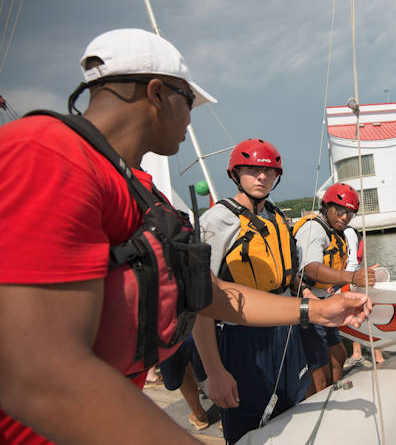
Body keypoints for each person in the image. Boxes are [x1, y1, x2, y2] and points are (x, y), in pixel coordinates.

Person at [0, 28, 370, 445]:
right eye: (188, 101)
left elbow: (210, 295)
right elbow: (35, 371)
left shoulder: (143, 193)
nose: (191, 118)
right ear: (157, 93)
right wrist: (214, 369)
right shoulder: (45, 156)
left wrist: (318, 311)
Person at [192, 139, 310, 444]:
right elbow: (199, 300)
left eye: (269, 172)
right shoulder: (216, 222)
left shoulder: (278, 217)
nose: (261, 177)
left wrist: (308, 297)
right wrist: (214, 371)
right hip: (243, 338)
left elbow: (290, 274)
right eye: (253, 170)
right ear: (235, 173)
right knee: (248, 422)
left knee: (294, 405)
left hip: (286, 331)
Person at [293, 183, 378, 394]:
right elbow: (310, 269)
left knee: (339, 355)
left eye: (350, 213)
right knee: (318, 369)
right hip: (307, 304)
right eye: (340, 210)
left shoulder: (336, 232)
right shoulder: (314, 229)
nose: (344, 217)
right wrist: (352, 277)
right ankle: (317, 403)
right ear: (326, 206)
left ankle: (334, 393)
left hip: (326, 300)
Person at [344, 226, 384, 365]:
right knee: (357, 315)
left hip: (354, 278)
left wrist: (347, 279)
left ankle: (374, 355)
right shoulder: (349, 231)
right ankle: (359, 352)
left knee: (363, 314)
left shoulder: (347, 232)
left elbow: (353, 260)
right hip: (354, 276)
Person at [157, 335, 211, 431]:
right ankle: (226, 414)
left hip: (168, 332)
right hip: (195, 329)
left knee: (182, 369)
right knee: (210, 367)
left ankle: (199, 415)